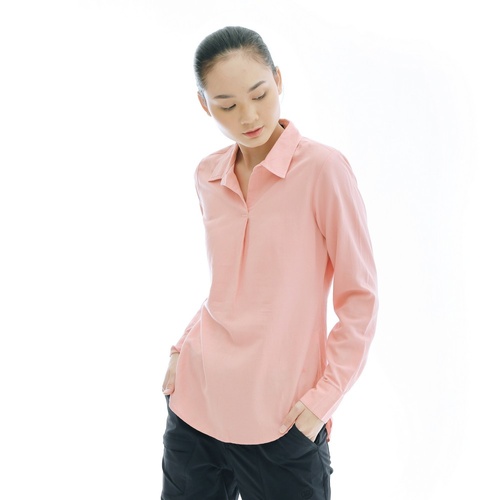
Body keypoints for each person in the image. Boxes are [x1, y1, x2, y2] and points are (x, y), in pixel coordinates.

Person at [160, 26, 378, 500]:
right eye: (227, 105)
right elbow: (227, 287)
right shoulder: (207, 175)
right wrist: (180, 350)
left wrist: (321, 403)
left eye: (259, 94)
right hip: (196, 410)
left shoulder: (323, 170)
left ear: (278, 80)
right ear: (204, 105)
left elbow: (360, 299)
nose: (249, 116)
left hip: (281, 423)